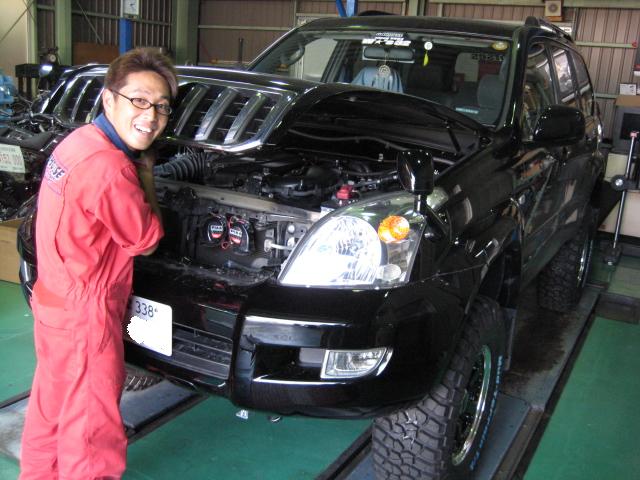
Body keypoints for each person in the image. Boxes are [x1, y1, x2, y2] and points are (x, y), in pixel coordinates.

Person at [19, 47, 178, 480]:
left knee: (52, 410)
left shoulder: (77, 143)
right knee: (91, 433)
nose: (151, 116)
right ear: (109, 99)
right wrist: (146, 174)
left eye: (162, 106)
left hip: (53, 299)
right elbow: (145, 241)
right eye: (139, 100)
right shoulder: (110, 168)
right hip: (86, 313)